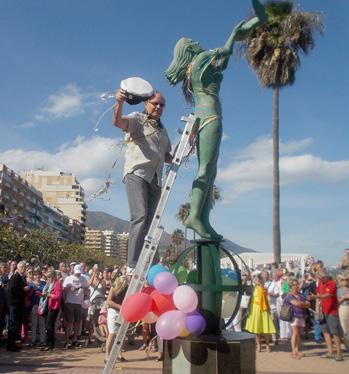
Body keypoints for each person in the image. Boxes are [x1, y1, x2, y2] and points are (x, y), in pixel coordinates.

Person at [165, 0, 267, 240]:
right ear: (189, 50)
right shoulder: (201, 58)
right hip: (210, 115)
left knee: (211, 170)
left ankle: (203, 220)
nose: (198, 43)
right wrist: (233, 33)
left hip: (207, 114)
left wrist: (250, 25)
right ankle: (193, 216)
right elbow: (226, 50)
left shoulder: (199, 65)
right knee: (206, 169)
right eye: (193, 43)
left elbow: (223, 63)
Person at [112, 89, 172, 270]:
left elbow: (168, 156)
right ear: (146, 103)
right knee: (139, 216)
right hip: (137, 174)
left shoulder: (162, 129)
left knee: (151, 222)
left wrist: (189, 146)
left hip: (155, 179)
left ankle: (150, 264)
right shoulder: (138, 118)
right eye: (155, 103)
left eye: (162, 105)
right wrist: (119, 103)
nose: (159, 107)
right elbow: (118, 122)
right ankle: (132, 264)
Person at [309, 269, 343, 361]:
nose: (319, 280)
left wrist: (316, 297)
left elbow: (328, 295)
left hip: (332, 312)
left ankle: (339, 353)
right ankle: (330, 352)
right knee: (325, 332)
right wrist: (317, 300)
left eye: (321, 278)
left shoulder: (332, 284)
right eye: (319, 278)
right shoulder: (321, 283)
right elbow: (318, 292)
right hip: (323, 311)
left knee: (335, 333)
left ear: (325, 277)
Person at [245, 274, 276, 352]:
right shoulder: (252, 288)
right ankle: (258, 345)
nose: (256, 281)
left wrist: (261, 284)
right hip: (254, 308)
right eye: (255, 279)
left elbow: (264, 292)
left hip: (263, 308)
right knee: (256, 328)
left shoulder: (263, 287)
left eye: (258, 279)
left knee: (265, 328)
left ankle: (267, 345)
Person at [62, 264, 89, 348]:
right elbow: (63, 289)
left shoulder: (83, 278)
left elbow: (87, 289)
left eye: (79, 273)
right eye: (77, 273)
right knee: (69, 322)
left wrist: (84, 289)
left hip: (79, 303)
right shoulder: (68, 278)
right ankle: (67, 341)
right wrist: (69, 288)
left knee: (77, 322)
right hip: (69, 302)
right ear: (74, 271)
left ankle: (75, 339)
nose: (78, 274)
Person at [284, 278, 310, 360]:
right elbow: (296, 303)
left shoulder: (300, 294)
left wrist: (302, 304)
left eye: (297, 284)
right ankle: (293, 352)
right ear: (291, 286)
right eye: (294, 285)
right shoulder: (289, 295)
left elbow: (308, 304)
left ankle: (297, 350)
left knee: (298, 333)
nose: (296, 286)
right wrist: (304, 304)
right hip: (294, 316)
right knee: (295, 333)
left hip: (301, 315)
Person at [105, 275, 129, 363]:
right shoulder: (114, 288)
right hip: (113, 312)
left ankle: (119, 354)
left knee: (121, 334)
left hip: (122, 313)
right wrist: (119, 306)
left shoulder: (128, 289)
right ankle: (107, 355)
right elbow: (109, 301)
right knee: (111, 333)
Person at [6, 260, 26, 351]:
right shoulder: (15, 277)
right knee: (13, 324)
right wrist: (23, 289)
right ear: (19, 267)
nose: (24, 269)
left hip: (18, 305)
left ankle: (14, 343)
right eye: (23, 267)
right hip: (14, 304)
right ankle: (10, 345)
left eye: (25, 267)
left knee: (17, 324)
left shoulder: (21, 277)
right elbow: (12, 289)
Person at [41, 270, 62, 351]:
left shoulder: (57, 284)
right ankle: (48, 344)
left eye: (49, 277)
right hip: (48, 306)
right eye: (47, 277)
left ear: (53, 276)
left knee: (50, 326)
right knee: (48, 326)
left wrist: (48, 295)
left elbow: (58, 296)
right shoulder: (49, 284)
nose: (48, 279)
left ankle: (50, 345)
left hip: (54, 307)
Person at [337, 271, 349, 349]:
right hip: (343, 308)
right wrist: (344, 297)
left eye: (346, 279)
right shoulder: (338, 290)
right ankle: (347, 344)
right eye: (343, 279)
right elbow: (337, 301)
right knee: (344, 328)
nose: (345, 281)